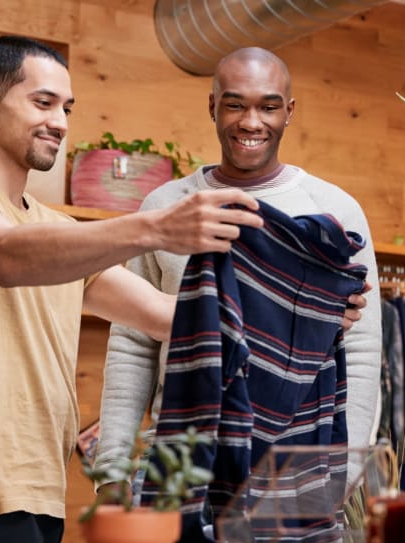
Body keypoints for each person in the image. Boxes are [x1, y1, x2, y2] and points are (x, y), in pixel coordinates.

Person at [0, 35, 267, 543]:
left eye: (66, 108)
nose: (61, 122)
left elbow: (166, 317)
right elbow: (2, 254)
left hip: (40, 494)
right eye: (42, 103)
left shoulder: (55, 230)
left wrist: (308, 313)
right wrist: (153, 228)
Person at [95, 47, 382, 510]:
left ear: (289, 112)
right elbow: (133, 342)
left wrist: (345, 473)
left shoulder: (334, 213)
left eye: (268, 106)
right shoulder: (165, 208)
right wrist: (111, 468)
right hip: (179, 458)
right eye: (235, 104)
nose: (252, 122)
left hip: (296, 466)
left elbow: (363, 351)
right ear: (212, 107)